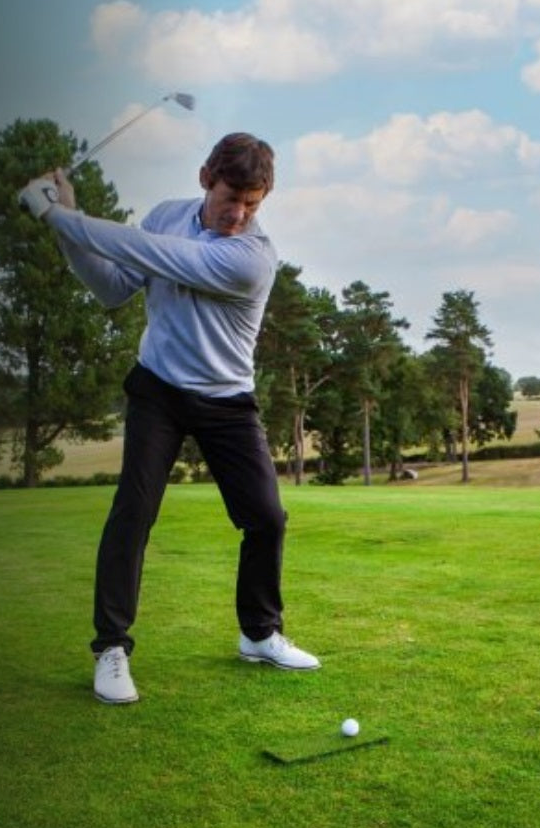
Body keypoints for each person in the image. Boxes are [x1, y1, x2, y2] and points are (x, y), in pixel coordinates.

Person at [19, 132, 320, 704]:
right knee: (133, 512)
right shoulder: (165, 216)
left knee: (266, 518)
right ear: (206, 177)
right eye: (232, 197)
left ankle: (259, 634)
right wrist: (67, 226)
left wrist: (61, 215)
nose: (239, 214)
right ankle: (111, 648)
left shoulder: (252, 258)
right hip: (158, 389)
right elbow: (111, 286)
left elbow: (147, 253)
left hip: (227, 399)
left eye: (253, 204)